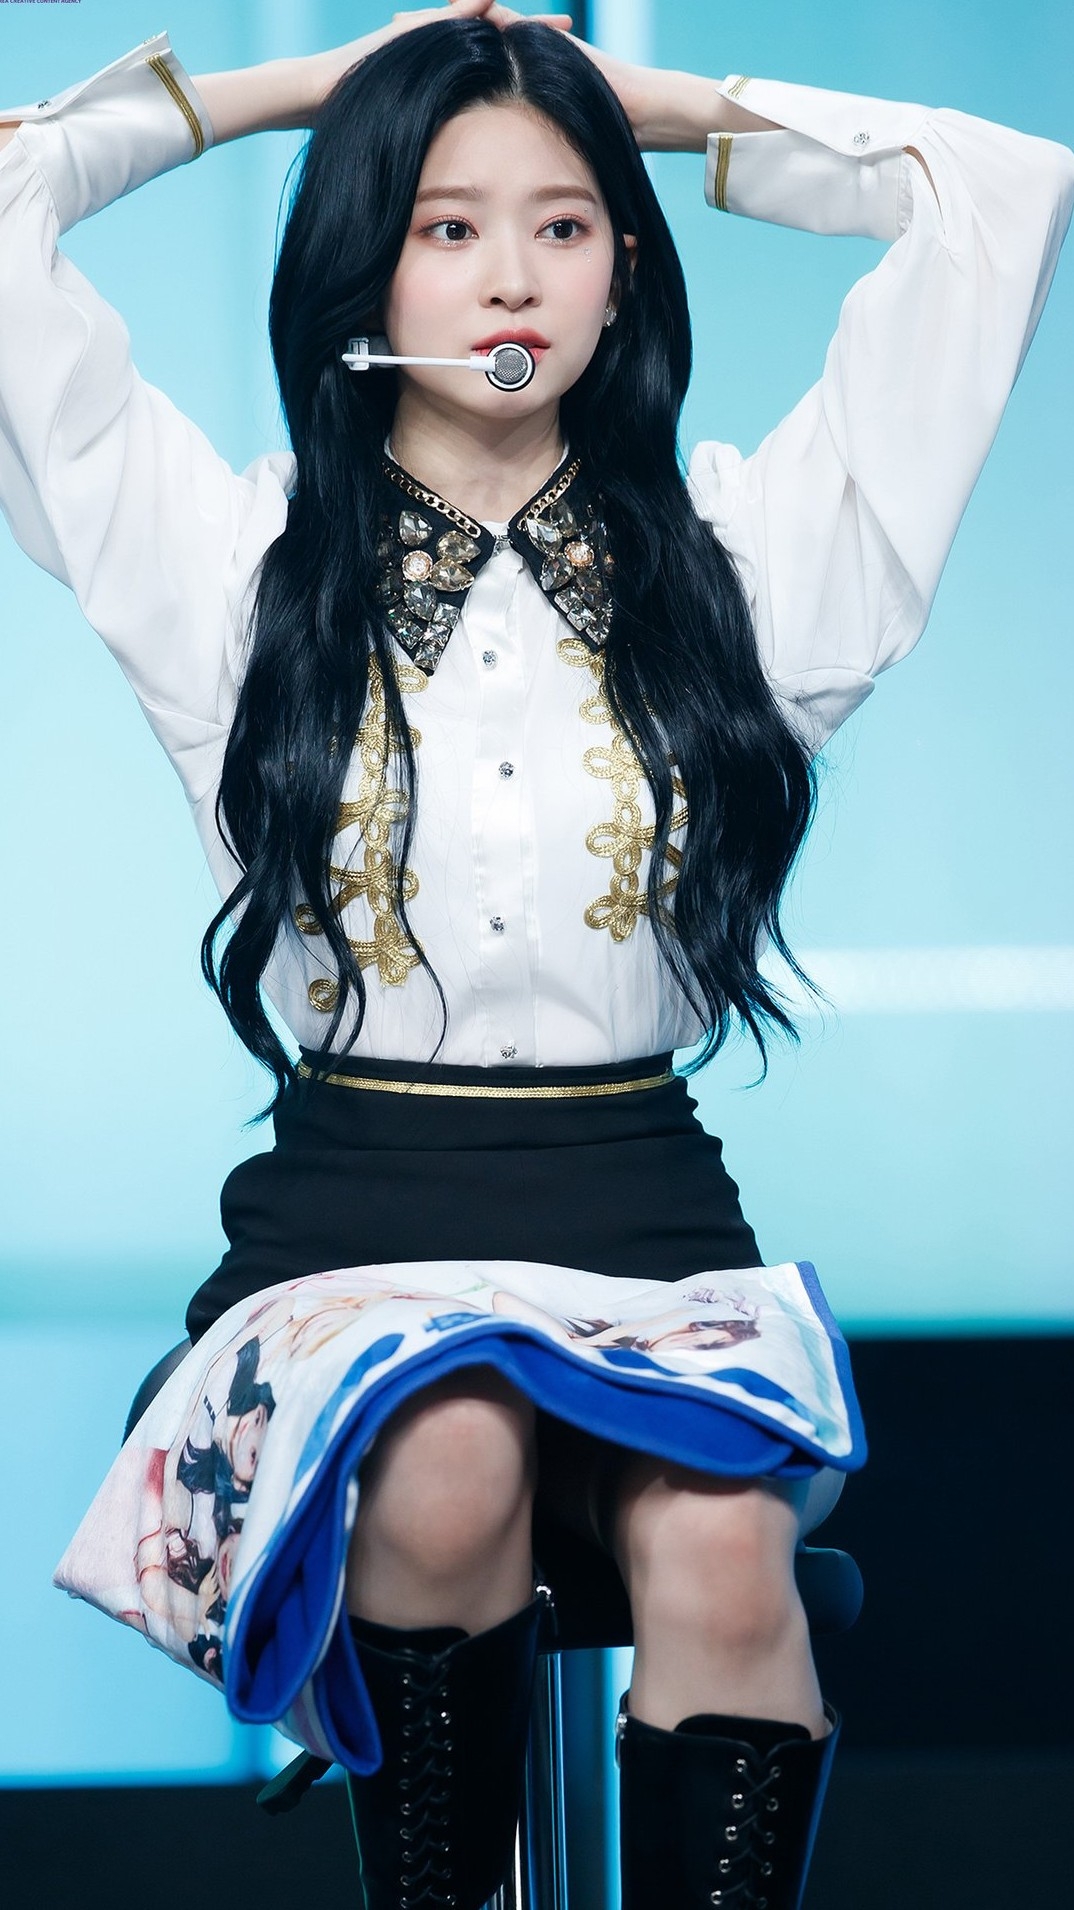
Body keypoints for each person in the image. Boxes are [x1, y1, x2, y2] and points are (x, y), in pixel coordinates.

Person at [2, 4, 1071, 1906]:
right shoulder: (229, 572)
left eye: (563, 225)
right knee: (444, 1459)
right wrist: (306, 90)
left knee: (724, 1543)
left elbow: (987, 191)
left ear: (622, 268)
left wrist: (648, 110)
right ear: (364, 263)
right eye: (446, 224)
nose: (511, 276)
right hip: (348, 1224)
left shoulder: (750, 564)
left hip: (642, 1220)